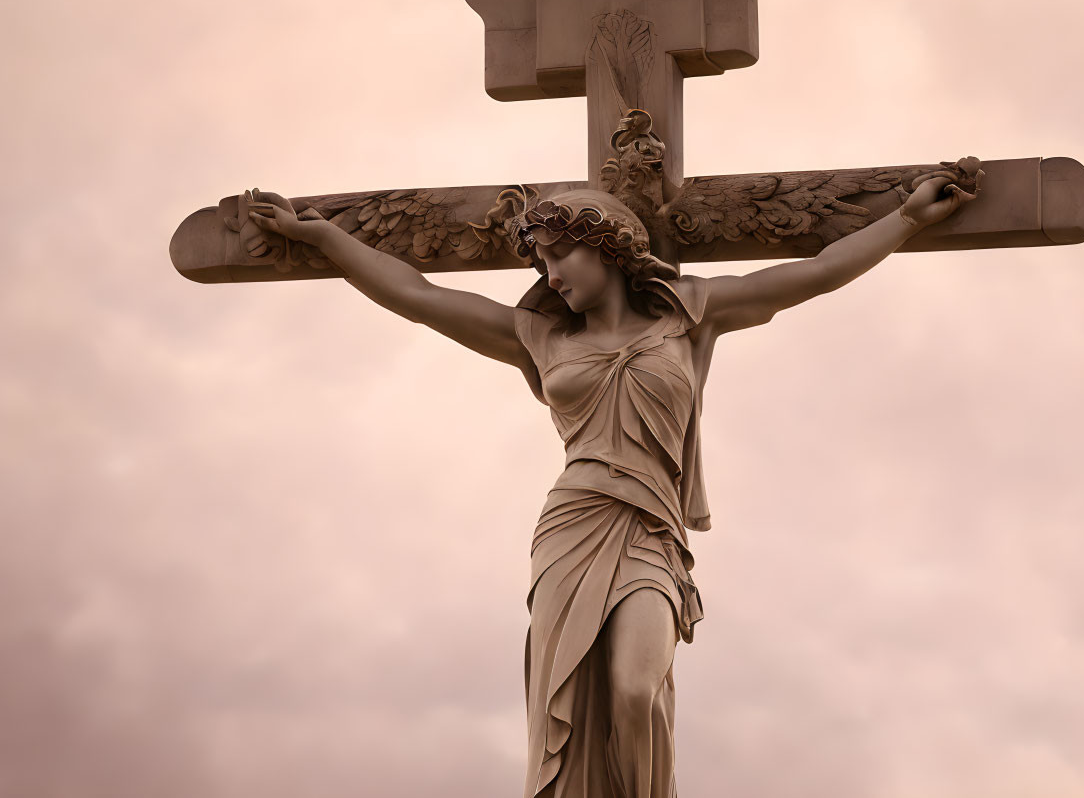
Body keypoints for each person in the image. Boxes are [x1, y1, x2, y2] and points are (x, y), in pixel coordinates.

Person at [246, 175, 969, 797]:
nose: (551, 273)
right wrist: (324, 241)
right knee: (577, 704)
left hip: (651, 532)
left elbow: (812, 275)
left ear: (608, 246)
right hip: (573, 527)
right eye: (541, 260)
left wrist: (903, 219)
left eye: (561, 253)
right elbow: (418, 296)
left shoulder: (692, 315)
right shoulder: (542, 339)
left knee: (634, 687)